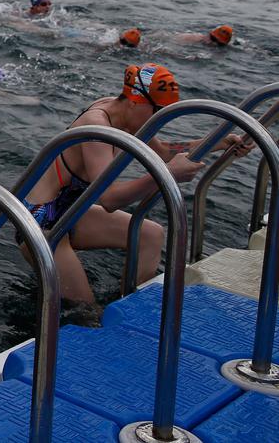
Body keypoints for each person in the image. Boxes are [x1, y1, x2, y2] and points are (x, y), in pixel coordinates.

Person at [21, 63, 251, 304]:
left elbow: (162, 151)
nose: (160, 119)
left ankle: (132, 306)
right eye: (158, 110)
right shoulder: (98, 127)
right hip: (42, 223)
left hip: (70, 211)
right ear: (135, 102)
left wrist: (217, 142)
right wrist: (167, 174)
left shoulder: (125, 112)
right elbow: (109, 199)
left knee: (151, 234)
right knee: (87, 312)